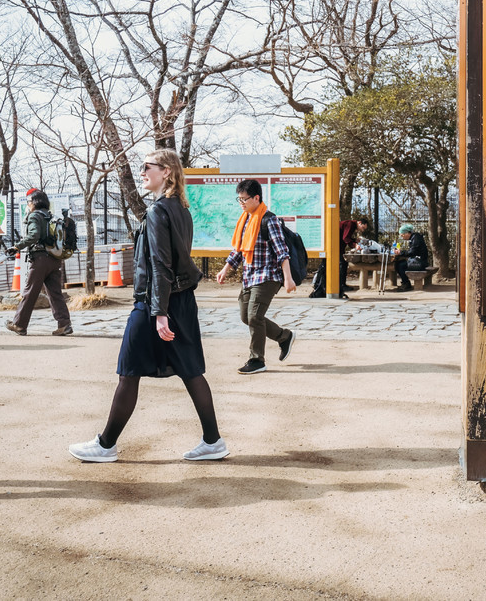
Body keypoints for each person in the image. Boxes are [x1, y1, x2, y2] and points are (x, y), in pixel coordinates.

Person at [69, 149, 228, 463]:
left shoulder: (158, 212)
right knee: (191, 370)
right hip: (181, 301)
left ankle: (105, 445)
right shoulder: (181, 209)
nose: (142, 172)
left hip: (155, 303)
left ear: (166, 172)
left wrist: (157, 312)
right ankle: (213, 441)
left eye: (147, 167)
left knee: (128, 371)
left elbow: (160, 265)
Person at [217, 179, 297, 374]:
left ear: (256, 198)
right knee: (247, 316)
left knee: (254, 316)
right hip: (250, 276)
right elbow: (239, 250)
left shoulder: (270, 220)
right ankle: (284, 337)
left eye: (244, 199)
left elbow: (282, 251)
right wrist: (225, 269)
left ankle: (257, 360)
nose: (241, 203)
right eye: (239, 199)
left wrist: (288, 278)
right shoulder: (245, 220)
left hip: (268, 276)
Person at [5, 189, 72, 336]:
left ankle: (19, 324)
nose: (28, 205)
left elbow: (33, 236)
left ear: (34, 203)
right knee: (55, 294)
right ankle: (64, 324)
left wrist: (17, 247)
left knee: (30, 292)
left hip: (40, 259)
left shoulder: (34, 216)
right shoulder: (50, 216)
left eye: (29, 202)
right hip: (55, 259)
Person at [308, 215, 369, 299]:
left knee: (341, 264)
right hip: (335, 247)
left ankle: (338, 285)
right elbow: (345, 238)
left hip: (336, 246)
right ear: (359, 223)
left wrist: (354, 240)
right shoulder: (351, 224)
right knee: (342, 264)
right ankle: (341, 285)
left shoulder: (349, 224)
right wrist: (354, 245)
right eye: (362, 227)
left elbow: (344, 236)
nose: (362, 230)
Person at [393, 223, 429, 292]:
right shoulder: (415, 237)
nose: (402, 237)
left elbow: (412, 252)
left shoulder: (416, 238)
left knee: (400, 265)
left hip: (420, 262)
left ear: (407, 233)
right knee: (399, 264)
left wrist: (400, 253)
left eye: (402, 235)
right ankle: (405, 282)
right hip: (419, 260)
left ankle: (406, 284)